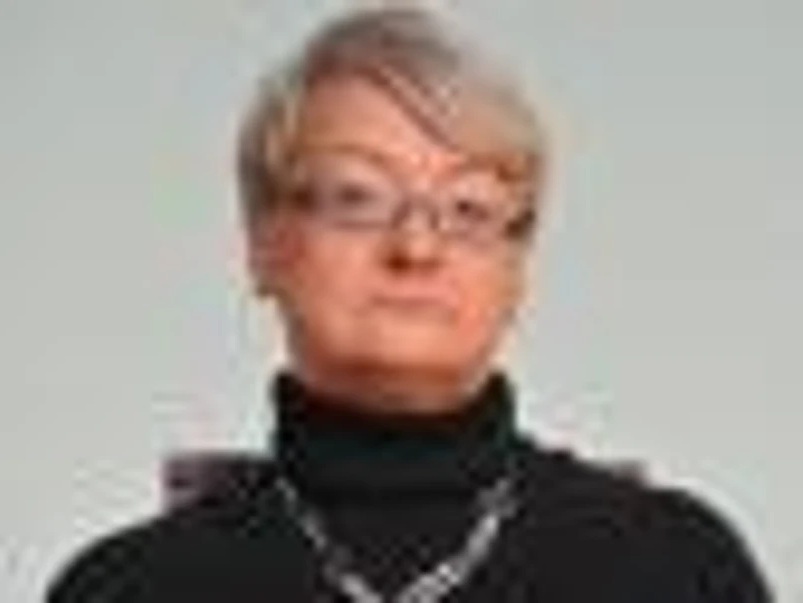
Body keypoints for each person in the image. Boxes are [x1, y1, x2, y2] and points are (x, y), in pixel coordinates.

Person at [47, 6, 772, 602]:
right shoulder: (128, 587)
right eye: (357, 197)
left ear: (517, 266)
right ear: (262, 243)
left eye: (467, 209)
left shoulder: (676, 567)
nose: (417, 247)